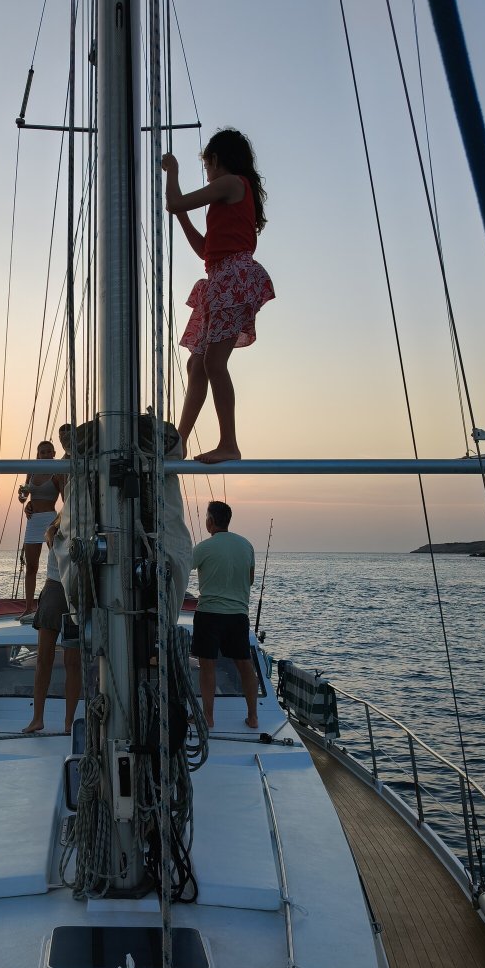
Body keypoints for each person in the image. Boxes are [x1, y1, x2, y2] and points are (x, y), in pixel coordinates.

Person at [162, 128, 275, 462]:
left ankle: (229, 444)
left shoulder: (232, 183)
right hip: (220, 278)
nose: (207, 173)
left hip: (232, 279)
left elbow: (174, 201)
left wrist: (173, 171)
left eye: (206, 165)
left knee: (213, 362)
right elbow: (205, 251)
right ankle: (180, 441)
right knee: (197, 364)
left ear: (215, 159)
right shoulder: (232, 192)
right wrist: (182, 215)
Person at [191, 500, 259, 730]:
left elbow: (182, 567)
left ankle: (208, 717)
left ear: (210, 521)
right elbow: (250, 579)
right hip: (238, 615)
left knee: (207, 666)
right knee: (245, 665)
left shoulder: (203, 547)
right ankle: (253, 717)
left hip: (209, 614)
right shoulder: (246, 545)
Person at [22, 515, 82, 734]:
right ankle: (40, 718)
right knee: (46, 658)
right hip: (58, 587)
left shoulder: (88, 517)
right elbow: (49, 536)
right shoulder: (59, 521)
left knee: (70, 662)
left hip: (74, 590)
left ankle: (67, 722)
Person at [18, 439, 65, 619]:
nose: (45, 454)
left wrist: (60, 521)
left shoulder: (57, 472)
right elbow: (24, 497)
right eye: (42, 452)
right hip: (33, 521)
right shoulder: (32, 470)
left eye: (48, 451)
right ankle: (28, 608)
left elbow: (65, 499)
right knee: (31, 566)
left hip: (49, 520)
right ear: (38, 455)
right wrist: (24, 500)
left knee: (57, 564)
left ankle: (60, 602)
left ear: (54, 453)